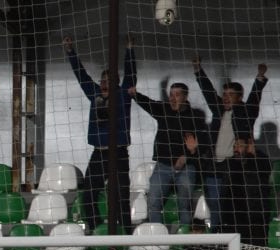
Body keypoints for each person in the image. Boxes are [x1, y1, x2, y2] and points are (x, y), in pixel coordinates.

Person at [64, 34, 137, 232]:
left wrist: (130, 50)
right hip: (99, 152)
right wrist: (71, 52)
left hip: (119, 153)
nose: (105, 83)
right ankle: (96, 228)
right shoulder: (94, 94)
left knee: (121, 195)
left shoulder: (123, 96)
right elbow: (82, 76)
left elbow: (130, 76)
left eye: (109, 80)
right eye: (103, 80)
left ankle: (127, 233)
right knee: (89, 193)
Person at [193, 56, 268, 230]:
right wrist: (198, 70)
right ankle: (217, 238)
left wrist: (259, 78)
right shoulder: (218, 111)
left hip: (232, 168)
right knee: (215, 208)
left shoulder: (245, 113)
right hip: (214, 166)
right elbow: (208, 92)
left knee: (229, 208)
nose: (225, 98)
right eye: (224, 95)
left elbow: (255, 97)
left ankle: (225, 239)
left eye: (230, 95)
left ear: (239, 97)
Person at [130, 82, 209, 228]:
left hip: (186, 167)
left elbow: (203, 146)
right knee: (153, 202)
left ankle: (184, 240)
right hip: (163, 166)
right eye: (171, 95)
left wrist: (188, 156)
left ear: (185, 97)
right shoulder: (164, 110)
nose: (173, 98)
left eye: (177, 95)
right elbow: (149, 104)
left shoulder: (194, 117)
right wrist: (135, 94)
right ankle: (156, 236)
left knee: (184, 205)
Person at [222, 136, 273, 250]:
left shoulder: (261, 160)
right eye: (234, 146)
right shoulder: (231, 163)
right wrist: (250, 156)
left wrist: (252, 156)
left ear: (249, 146)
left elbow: (264, 171)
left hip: (255, 216)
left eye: (239, 145)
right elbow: (237, 173)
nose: (236, 148)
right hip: (234, 217)